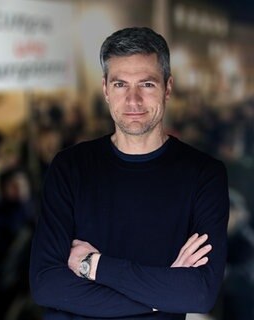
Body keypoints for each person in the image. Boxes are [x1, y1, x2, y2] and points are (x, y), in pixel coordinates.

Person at [29, 27, 229, 320]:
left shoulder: (204, 174)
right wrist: (162, 295)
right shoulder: (70, 167)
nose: (133, 101)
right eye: (121, 84)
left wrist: (93, 265)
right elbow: (47, 285)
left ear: (168, 88)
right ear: (105, 90)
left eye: (146, 84)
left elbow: (200, 293)